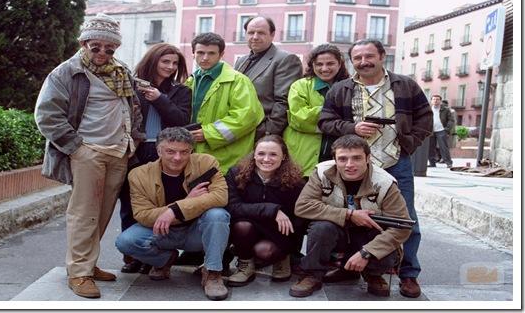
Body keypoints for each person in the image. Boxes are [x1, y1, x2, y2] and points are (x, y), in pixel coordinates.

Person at [34, 13, 143, 298]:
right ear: (83, 43)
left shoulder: (121, 71)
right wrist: (76, 147)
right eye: (96, 46)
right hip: (88, 151)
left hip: (119, 151)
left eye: (110, 48)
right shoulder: (66, 73)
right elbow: (46, 115)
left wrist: (134, 138)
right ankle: (79, 273)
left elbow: (132, 107)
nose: (103, 53)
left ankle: (88, 264)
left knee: (104, 212)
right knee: (84, 214)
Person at [318, 39, 432, 298]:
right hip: (355, 165)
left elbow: (425, 116)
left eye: (369, 56)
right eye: (357, 58)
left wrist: (410, 143)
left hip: (395, 161)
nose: (363, 62)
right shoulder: (341, 89)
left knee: (404, 218)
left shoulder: (405, 85)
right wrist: (351, 128)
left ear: (382, 57)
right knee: (353, 216)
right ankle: (354, 267)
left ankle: (408, 274)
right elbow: (325, 121)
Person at [115, 127, 231, 301]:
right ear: (158, 150)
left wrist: (175, 209)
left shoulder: (206, 163)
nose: (177, 158)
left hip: (196, 231)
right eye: (170, 151)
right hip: (163, 231)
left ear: (191, 150)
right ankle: (164, 260)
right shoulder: (138, 174)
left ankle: (213, 273)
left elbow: (220, 197)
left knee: (218, 215)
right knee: (125, 241)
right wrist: (180, 206)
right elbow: (142, 214)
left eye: (184, 152)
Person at [290, 135, 412, 298]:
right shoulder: (321, 173)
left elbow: (402, 227)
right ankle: (313, 274)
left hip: (368, 236)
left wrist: (366, 253)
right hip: (337, 233)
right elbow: (303, 206)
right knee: (321, 228)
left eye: (356, 158)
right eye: (342, 159)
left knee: (386, 241)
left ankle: (374, 275)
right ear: (334, 159)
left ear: (368, 158)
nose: (349, 165)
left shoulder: (385, 183)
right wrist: (349, 214)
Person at [118, 43, 192, 274]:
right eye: (165, 62)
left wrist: (160, 98)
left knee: (160, 203)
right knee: (130, 204)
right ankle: (133, 256)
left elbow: (179, 120)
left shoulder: (181, 91)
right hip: (135, 151)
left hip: (166, 154)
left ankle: (155, 255)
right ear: (153, 61)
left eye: (175, 63)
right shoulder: (132, 86)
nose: (170, 67)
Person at [225, 135, 306, 287]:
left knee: (264, 251)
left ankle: (283, 258)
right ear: (254, 154)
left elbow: (298, 219)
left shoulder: (295, 181)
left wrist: (291, 248)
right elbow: (232, 207)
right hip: (249, 228)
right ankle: (245, 265)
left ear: (284, 157)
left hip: (278, 232)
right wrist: (272, 210)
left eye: (273, 154)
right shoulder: (236, 174)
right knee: (242, 226)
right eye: (261, 153)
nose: (266, 159)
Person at [185, 32, 264, 174]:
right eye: (200, 52)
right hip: (196, 155)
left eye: (211, 53)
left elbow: (247, 117)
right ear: (193, 53)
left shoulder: (238, 80)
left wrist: (208, 133)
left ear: (221, 54)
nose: (205, 58)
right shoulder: (191, 81)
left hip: (228, 160)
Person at [283, 44, 350, 177]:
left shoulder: (349, 86)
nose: (324, 68)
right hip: (303, 155)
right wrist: (336, 117)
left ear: (339, 64)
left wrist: (319, 114)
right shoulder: (300, 85)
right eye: (319, 64)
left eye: (330, 63)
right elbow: (299, 118)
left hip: (339, 154)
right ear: (312, 65)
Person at [234, 16, 303, 139]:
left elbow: (284, 102)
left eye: (261, 33)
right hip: (239, 131)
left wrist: (267, 133)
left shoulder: (286, 59)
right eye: (251, 32)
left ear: (272, 35)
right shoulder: (241, 61)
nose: (255, 37)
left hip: (263, 135)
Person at [428, 94, 454, 168]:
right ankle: (432, 163)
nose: (435, 101)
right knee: (430, 148)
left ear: (440, 101)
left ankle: (449, 163)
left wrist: (446, 129)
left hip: (441, 130)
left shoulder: (445, 109)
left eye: (437, 99)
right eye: (434, 99)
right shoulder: (428, 109)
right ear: (431, 101)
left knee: (443, 147)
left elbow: (451, 120)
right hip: (431, 131)